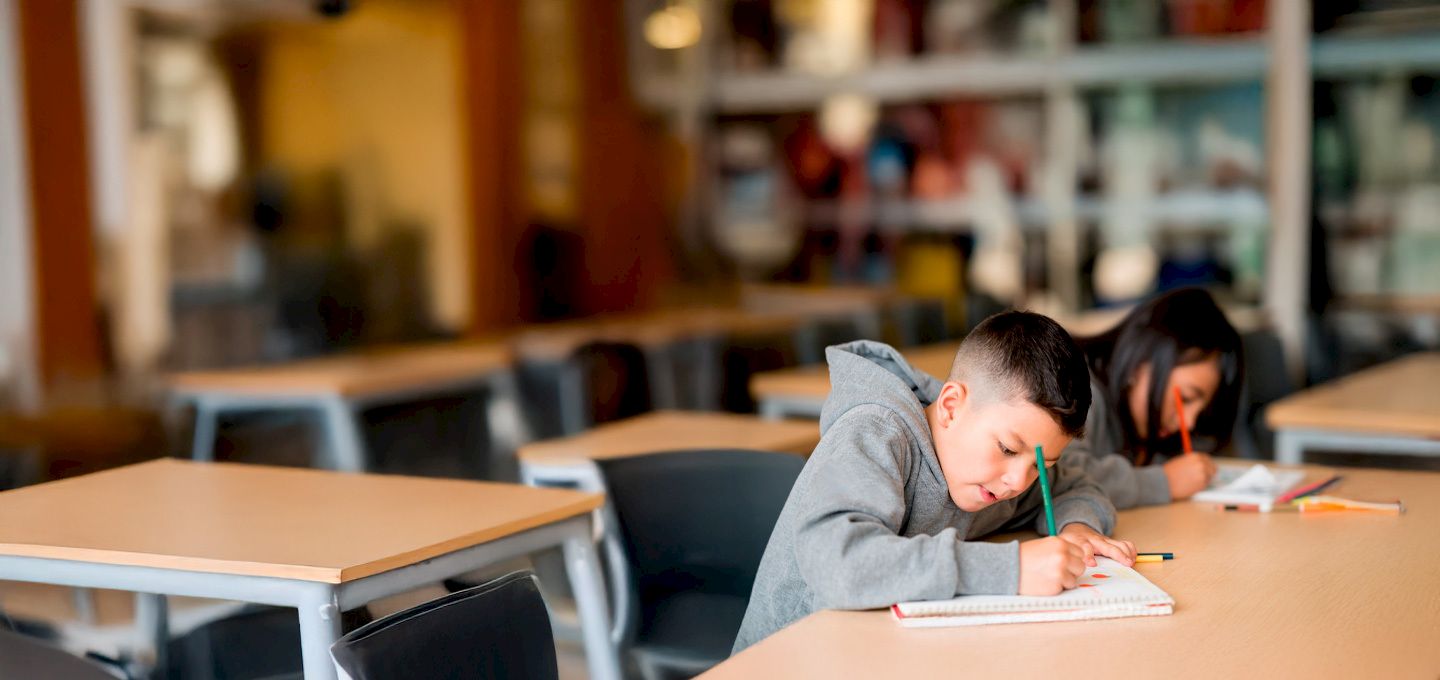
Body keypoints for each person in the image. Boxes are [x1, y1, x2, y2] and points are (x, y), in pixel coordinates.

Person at [733, 311, 1135, 653]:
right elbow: (839, 564)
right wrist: (1009, 569)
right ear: (950, 406)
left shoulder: (996, 471)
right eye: (1008, 450)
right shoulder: (876, 434)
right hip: (793, 655)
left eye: (1041, 466)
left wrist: (1077, 527)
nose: (1018, 481)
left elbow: (1076, 485)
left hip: (888, 651)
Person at [1068, 287, 1244, 509]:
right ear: (1139, 366)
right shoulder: (1072, 387)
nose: (1188, 423)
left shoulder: (1142, 421)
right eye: (1187, 398)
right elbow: (1061, 479)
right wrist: (1165, 482)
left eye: (1201, 410)